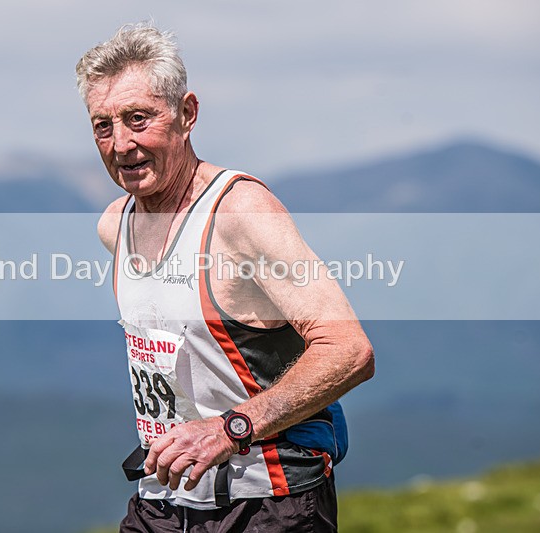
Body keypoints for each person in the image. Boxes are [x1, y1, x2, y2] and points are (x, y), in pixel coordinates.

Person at [76, 23, 374, 532]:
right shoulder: (114, 226)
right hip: (164, 500)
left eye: (138, 118)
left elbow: (349, 349)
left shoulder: (240, 213)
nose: (121, 143)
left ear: (187, 114)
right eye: (103, 126)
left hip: (268, 503)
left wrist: (228, 429)